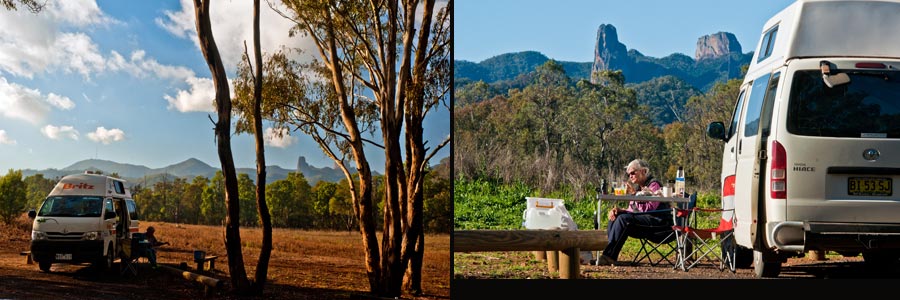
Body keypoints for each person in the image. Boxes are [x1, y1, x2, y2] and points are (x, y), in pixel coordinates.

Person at [596, 159, 671, 265]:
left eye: (633, 172)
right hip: (644, 222)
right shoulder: (637, 188)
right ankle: (608, 254)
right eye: (628, 174)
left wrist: (635, 195)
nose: (630, 176)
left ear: (643, 171)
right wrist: (621, 211)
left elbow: (650, 208)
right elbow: (632, 210)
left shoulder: (654, 185)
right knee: (617, 216)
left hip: (658, 223)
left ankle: (609, 256)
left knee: (623, 219)